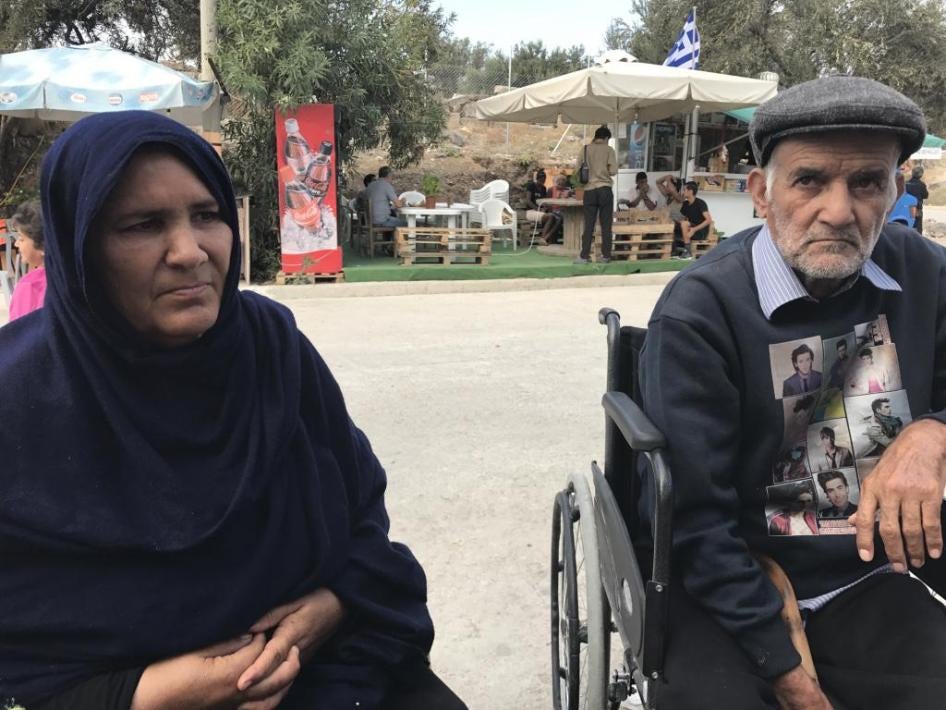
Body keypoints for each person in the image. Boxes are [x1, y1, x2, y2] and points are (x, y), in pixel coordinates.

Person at [0, 112, 467, 710]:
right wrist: (150, 694)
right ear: (79, 245)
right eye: (143, 225)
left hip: (331, 673)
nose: (189, 252)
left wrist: (335, 604)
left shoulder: (272, 350)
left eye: (206, 215)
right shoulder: (20, 401)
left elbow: (361, 522)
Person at [639, 75, 946, 709]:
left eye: (867, 182)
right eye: (810, 180)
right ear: (760, 192)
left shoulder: (923, 272)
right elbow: (692, 522)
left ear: (896, 188)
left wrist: (932, 431)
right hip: (737, 578)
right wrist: (783, 668)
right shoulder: (701, 313)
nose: (839, 210)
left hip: (884, 569)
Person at [574, 125, 617, 264]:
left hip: (589, 190)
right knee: (606, 225)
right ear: (605, 138)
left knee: (589, 225)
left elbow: (576, 169)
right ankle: (605, 256)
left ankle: (584, 256)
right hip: (604, 189)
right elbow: (613, 171)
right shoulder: (609, 150)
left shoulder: (585, 149)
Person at [6, 199, 47, 322]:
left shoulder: (30, 286)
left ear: (44, 246)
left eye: (21, 238)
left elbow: (18, 337)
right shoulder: (77, 276)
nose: (17, 244)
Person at [675, 180, 713, 259]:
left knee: (684, 224)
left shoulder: (700, 203)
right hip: (689, 230)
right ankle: (673, 249)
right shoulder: (685, 204)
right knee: (674, 224)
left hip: (700, 231)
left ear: (690, 191)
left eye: (685, 190)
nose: (683, 192)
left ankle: (687, 251)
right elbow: (685, 219)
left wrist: (694, 229)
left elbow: (708, 220)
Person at [906, 164, 930, 234]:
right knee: (918, 228)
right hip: (917, 208)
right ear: (921, 175)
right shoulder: (921, 185)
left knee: (908, 226)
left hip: (906, 207)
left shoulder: (906, 183)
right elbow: (926, 195)